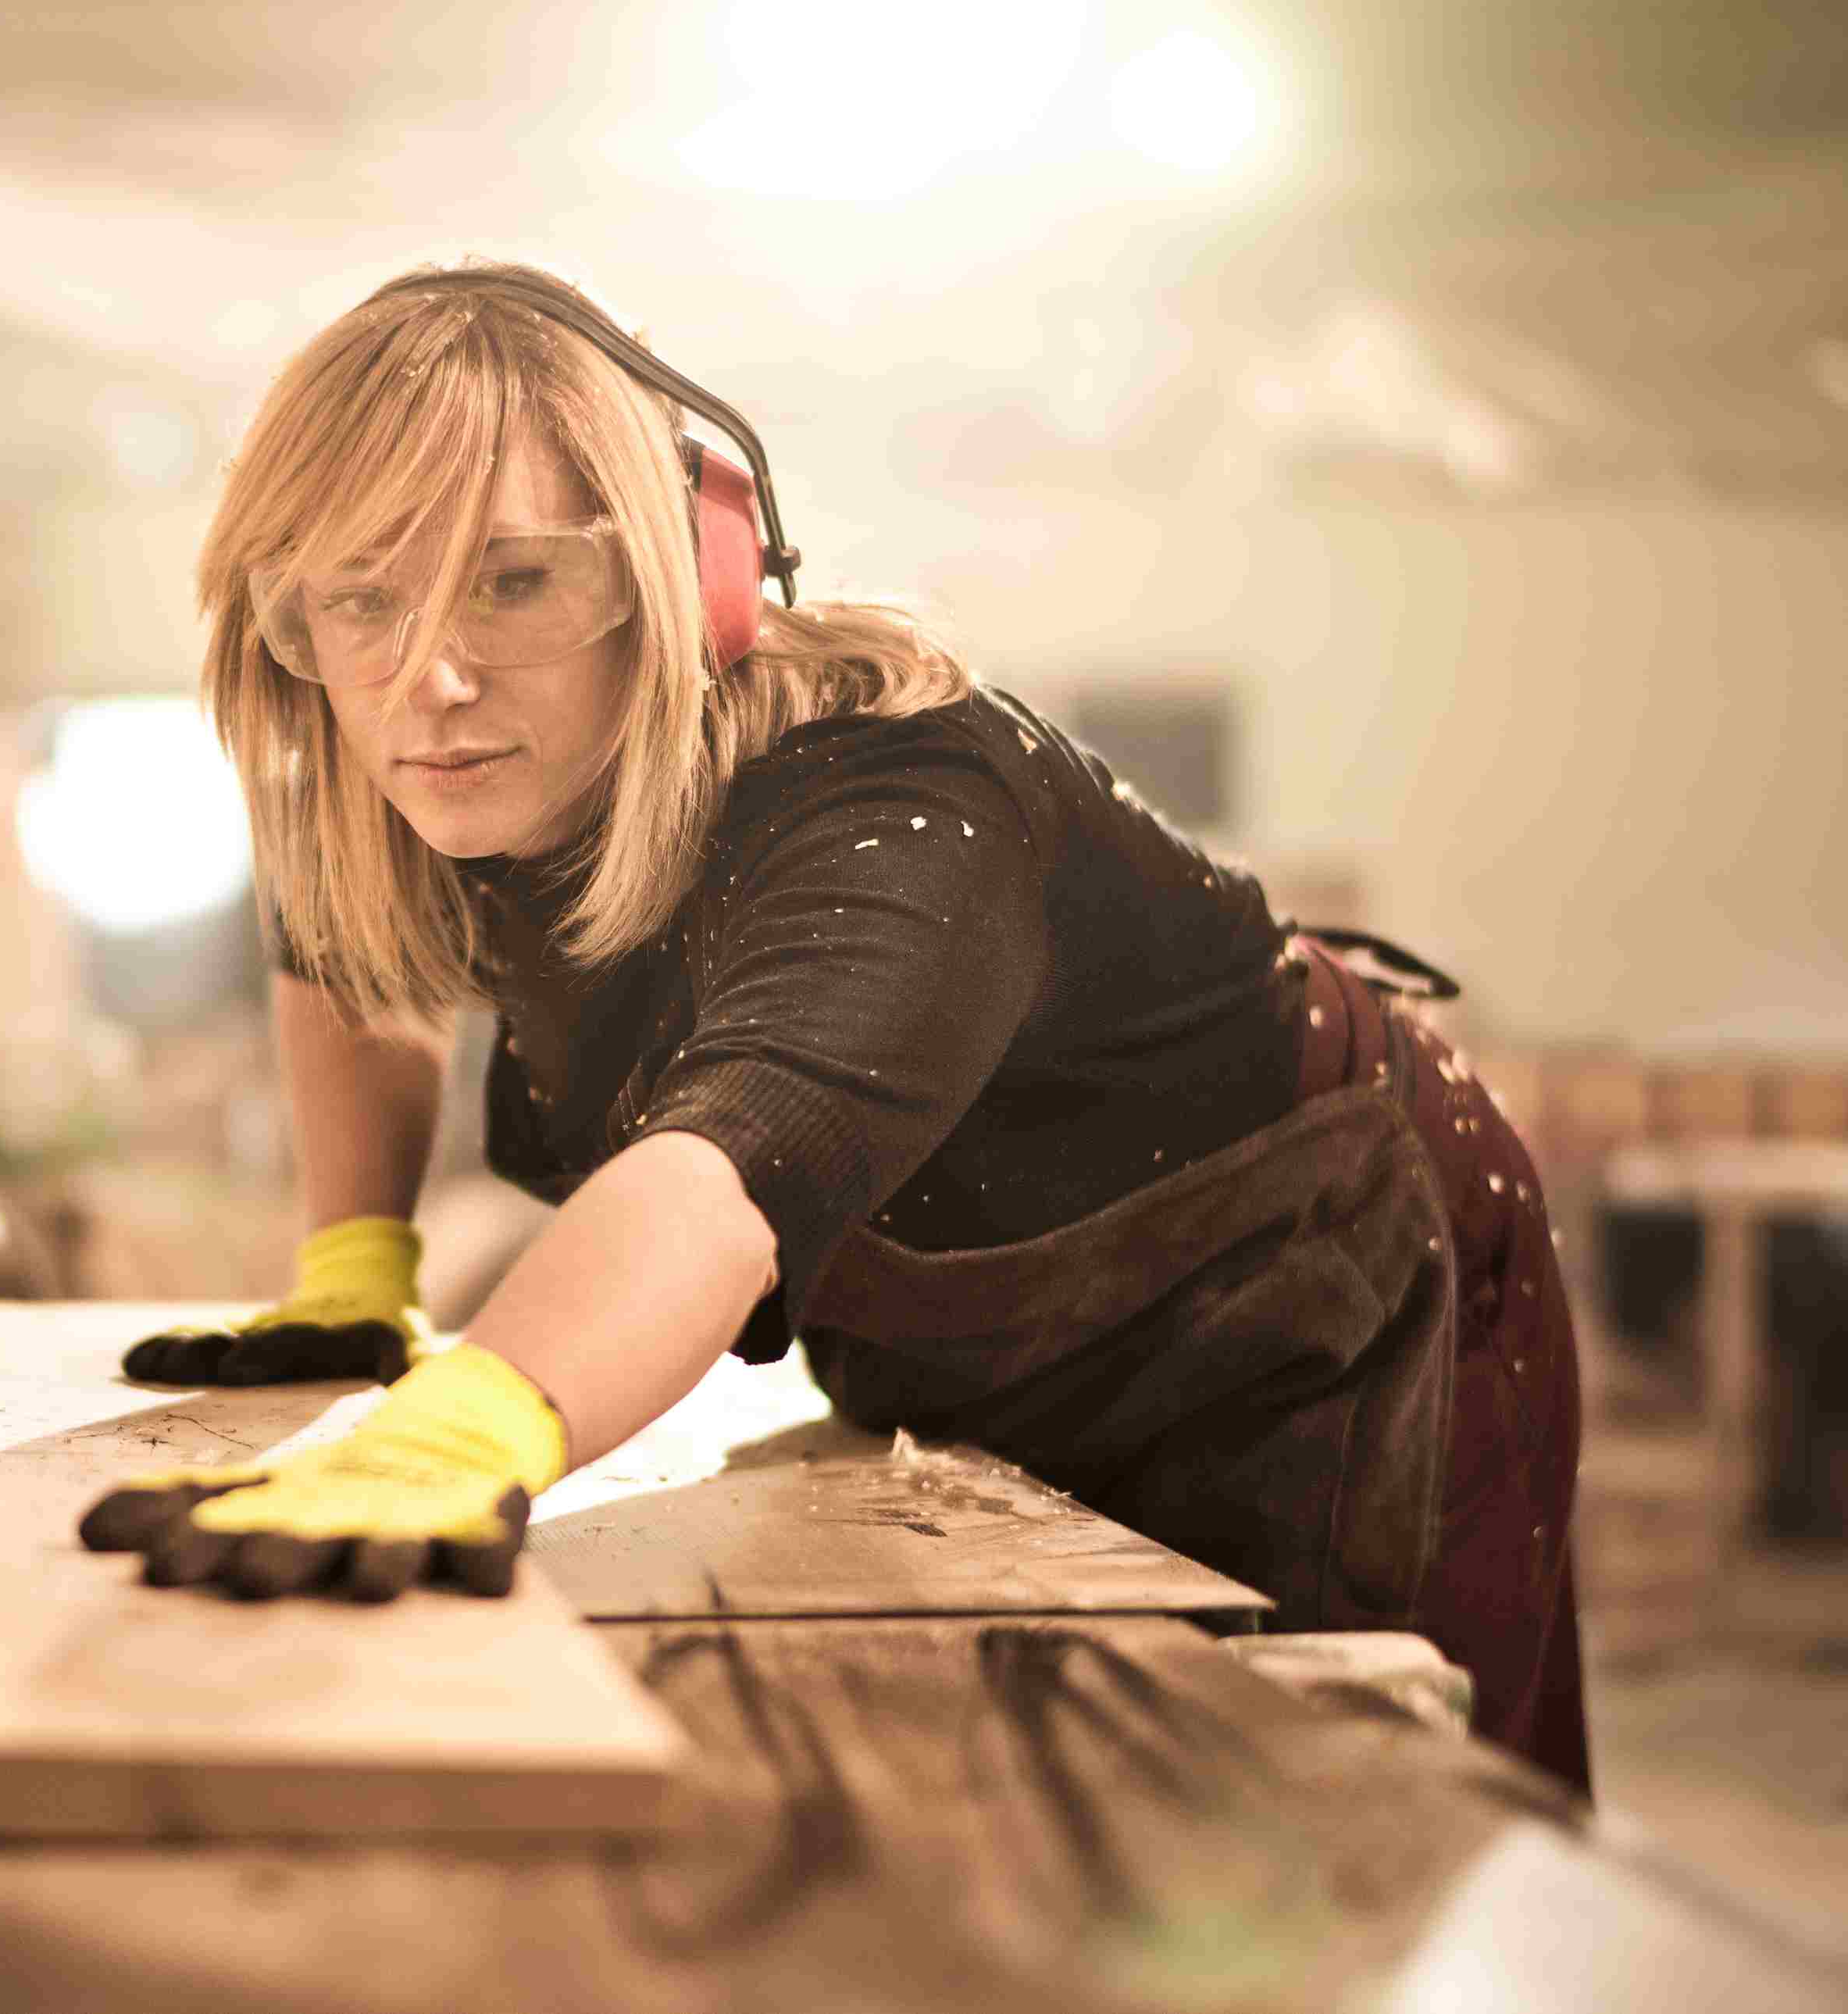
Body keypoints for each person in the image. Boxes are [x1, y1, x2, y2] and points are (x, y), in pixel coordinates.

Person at [77, 261, 1590, 1794]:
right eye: (360, 599)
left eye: (515, 579)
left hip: (1324, 1274)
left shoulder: (899, 796)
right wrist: (355, 1263)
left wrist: (463, 1431)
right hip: (999, 1331)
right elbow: (340, 935)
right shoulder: (443, 756)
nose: (431, 674)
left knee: (1361, 1813)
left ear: (687, 571)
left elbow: (737, 1167)